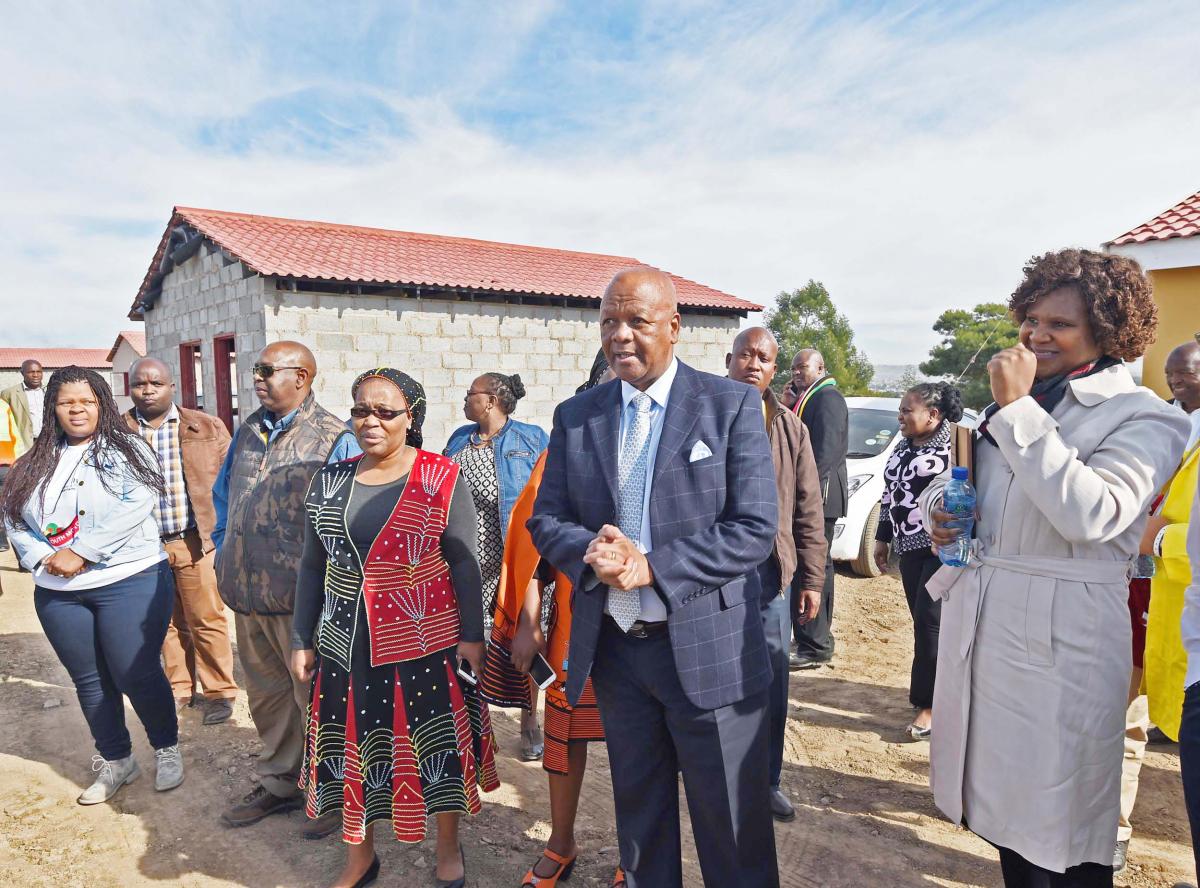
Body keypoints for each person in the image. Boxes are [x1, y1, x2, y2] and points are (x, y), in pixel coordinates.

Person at [922, 248, 1189, 886]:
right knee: (1010, 821)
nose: (1037, 334)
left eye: (1059, 324)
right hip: (992, 626)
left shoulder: (1146, 417)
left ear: (1106, 329)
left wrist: (1018, 413)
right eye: (1031, 319)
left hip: (1062, 639)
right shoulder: (1010, 407)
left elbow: (1094, 514)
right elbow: (980, 495)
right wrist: (942, 513)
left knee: (1064, 827)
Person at [529, 266, 780, 888]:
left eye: (636, 321)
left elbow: (752, 527)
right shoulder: (578, 415)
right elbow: (546, 518)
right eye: (609, 321)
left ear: (673, 327)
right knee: (639, 827)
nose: (620, 336)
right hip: (619, 656)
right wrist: (594, 551)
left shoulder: (730, 405)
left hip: (709, 651)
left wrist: (651, 567)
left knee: (733, 832)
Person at [292, 367, 498, 888]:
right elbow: (312, 565)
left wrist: (472, 636)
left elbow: (464, 562)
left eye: (386, 411)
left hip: (424, 640)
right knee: (350, 748)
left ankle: (448, 847)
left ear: (412, 418)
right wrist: (302, 636)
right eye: (361, 409)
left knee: (436, 747)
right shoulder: (331, 479)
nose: (371, 421)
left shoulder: (440, 476)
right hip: (344, 643)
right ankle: (360, 857)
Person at [1, 366, 183, 803]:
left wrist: (81, 552)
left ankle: (166, 747)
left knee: (135, 669)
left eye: (87, 400)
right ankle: (117, 759)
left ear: (102, 403)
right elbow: (12, 516)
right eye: (67, 402)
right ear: (53, 409)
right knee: (90, 680)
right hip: (59, 589)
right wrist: (44, 556)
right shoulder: (33, 461)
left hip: (130, 576)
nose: (77, 409)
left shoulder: (127, 450)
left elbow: (137, 503)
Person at [482, 357, 621, 888]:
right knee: (565, 739)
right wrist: (527, 620)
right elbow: (533, 537)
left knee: (639, 744)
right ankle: (561, 841)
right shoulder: (562, 451)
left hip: (644, 626)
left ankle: (635, 852)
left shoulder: (663, 446)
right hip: (574, 623)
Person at [213, 341, 360, 836]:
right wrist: (224, 546)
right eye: (255, 369)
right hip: (246, 594)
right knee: (268, 697)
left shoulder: (335, 438)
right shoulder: (248, 429)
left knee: (316, 698)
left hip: (302, 602)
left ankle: (334, 793)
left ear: (301, 377)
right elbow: (223, 495)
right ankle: (281, 784)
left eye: (266, 369)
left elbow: (347, 522)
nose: (256, 377)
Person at [726, 327, 826, 822]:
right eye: (745, 354)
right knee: (709, 677)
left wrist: (811, 578)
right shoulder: (702, 414)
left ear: (774, 369)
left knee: (769, 680)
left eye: (764, 358)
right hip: (709, 575)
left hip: (769, 577)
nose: (753, 364)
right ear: (730, 360)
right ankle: (709, 772)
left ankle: (765, 780)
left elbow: (809, 508)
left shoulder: (791, 427)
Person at [125, 357, 237, 724]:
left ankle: (219, 692)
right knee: (165, 623)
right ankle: (180, 687)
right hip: (144, 547)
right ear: (131, 388)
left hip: (194, 540)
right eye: (140, 383)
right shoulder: (119, 430)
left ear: (172, 386)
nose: (147, 390)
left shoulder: (204, 426)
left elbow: (232, 479)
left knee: (206, 618)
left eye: (155, 383)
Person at [444, 372, 548, 760]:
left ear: (490, 401)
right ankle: (477, 724)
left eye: (470, 393)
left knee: (524, 641)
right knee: (473, 642)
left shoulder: (530, 438)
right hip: (468, 558)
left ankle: (528, 722)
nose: (465, 399)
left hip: (514, 559)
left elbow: (545, 494)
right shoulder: (458, 439)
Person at [872, 382, 962, 741]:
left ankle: (931, 706)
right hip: (907, 546)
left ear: (933, 415)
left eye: (908, 410)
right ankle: (931, 693)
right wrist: (882, 537)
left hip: (941, 549)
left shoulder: (956, 446)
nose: (901, 416)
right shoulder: (904, 445)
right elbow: (889, 492)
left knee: (930, 621)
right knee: (921, 622)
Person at [781, 348, 848, 670]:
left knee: (812, 570)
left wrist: (801, 494)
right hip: (814, 498)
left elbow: (824, 454)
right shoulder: (807, 397)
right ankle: (814, 638)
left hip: (818, 500)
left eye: (802, 367)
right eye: (793, 367)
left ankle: (815, 644)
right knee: (817, 569)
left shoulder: (828, 398)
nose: (796, 372)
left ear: (821, 367)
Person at [0, 395, 28, 552]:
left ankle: (2, 541)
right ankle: (22, 557)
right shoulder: (3, 405)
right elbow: (15, 435)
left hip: (5, 465)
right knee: (11, 507)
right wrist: (19, 461)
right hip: (7, 463)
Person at [1, 358, 45, 453]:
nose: (36, 375)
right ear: (22, 373)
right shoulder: (8, 394)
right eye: (31, 372)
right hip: (22, 444)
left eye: (39, 372)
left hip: (46, 442)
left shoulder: (48, 392)